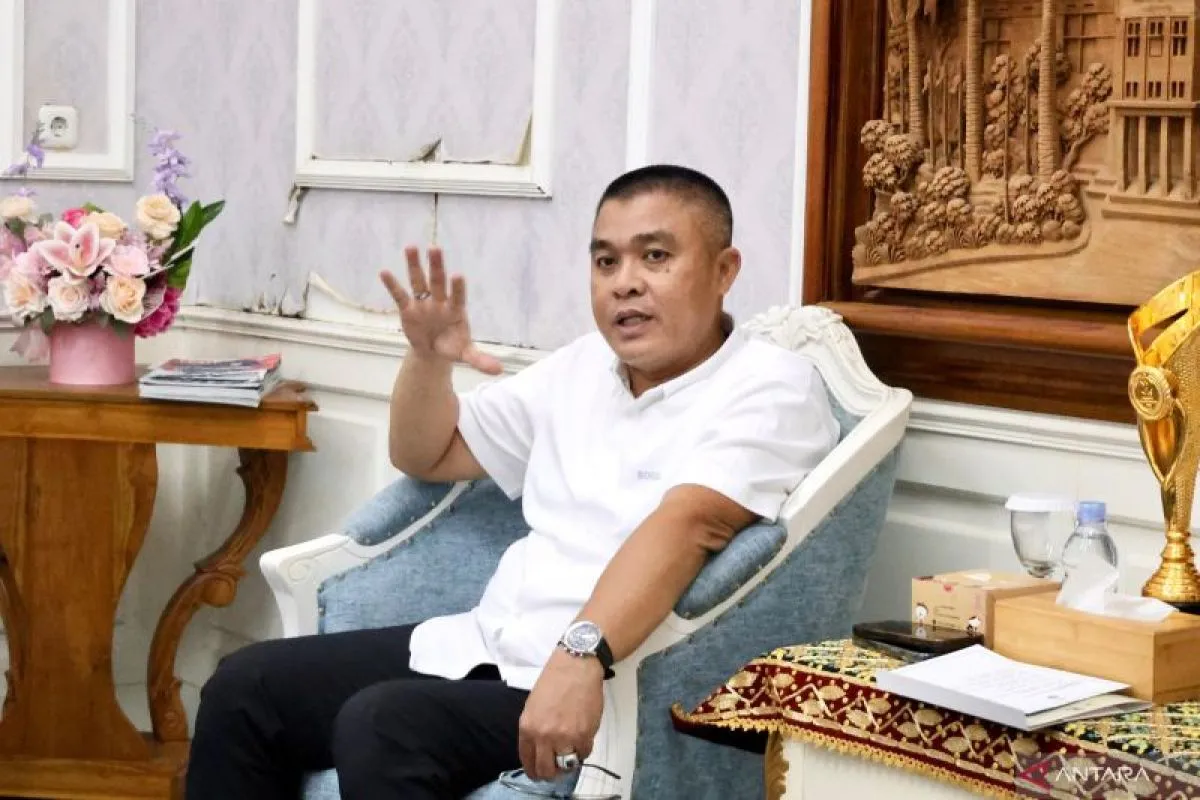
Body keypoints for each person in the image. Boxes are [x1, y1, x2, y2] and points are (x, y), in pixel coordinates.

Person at [185, 164, 840, 799]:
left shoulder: (770, 386)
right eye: (606, 261)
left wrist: (581, 656)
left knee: (383, 724)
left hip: (609, 682)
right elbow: (427, 453)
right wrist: (427, 361)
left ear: (725, 270)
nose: (625, 284)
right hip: (487, 643)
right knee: (246, 689)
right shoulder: (582, 366)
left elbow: (689, 524)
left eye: (656, 257)